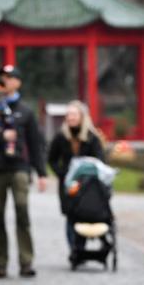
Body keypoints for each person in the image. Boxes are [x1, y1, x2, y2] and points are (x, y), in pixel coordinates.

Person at [0, 65, 47, 279]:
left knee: (22, 212)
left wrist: (41, 173)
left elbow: (35, 143)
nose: (4, 81)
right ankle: (1, 263)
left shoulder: (25, 111)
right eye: (2, 78)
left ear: (17, 82)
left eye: (9, 77)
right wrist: (0, 137)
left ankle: (26, 261)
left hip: (19, 167)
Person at [46, 100, 104, 256]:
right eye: (68, 114)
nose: (70, 117)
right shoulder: (61, 137)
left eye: (73, 114)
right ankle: (74, 249)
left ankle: (80, 246)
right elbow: (51, 159)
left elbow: (100, 160)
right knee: (70, 215)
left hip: (87, 185)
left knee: (83, 213)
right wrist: (62, 173)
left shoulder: (92, 137)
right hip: (67, 184)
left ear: (82, 116)